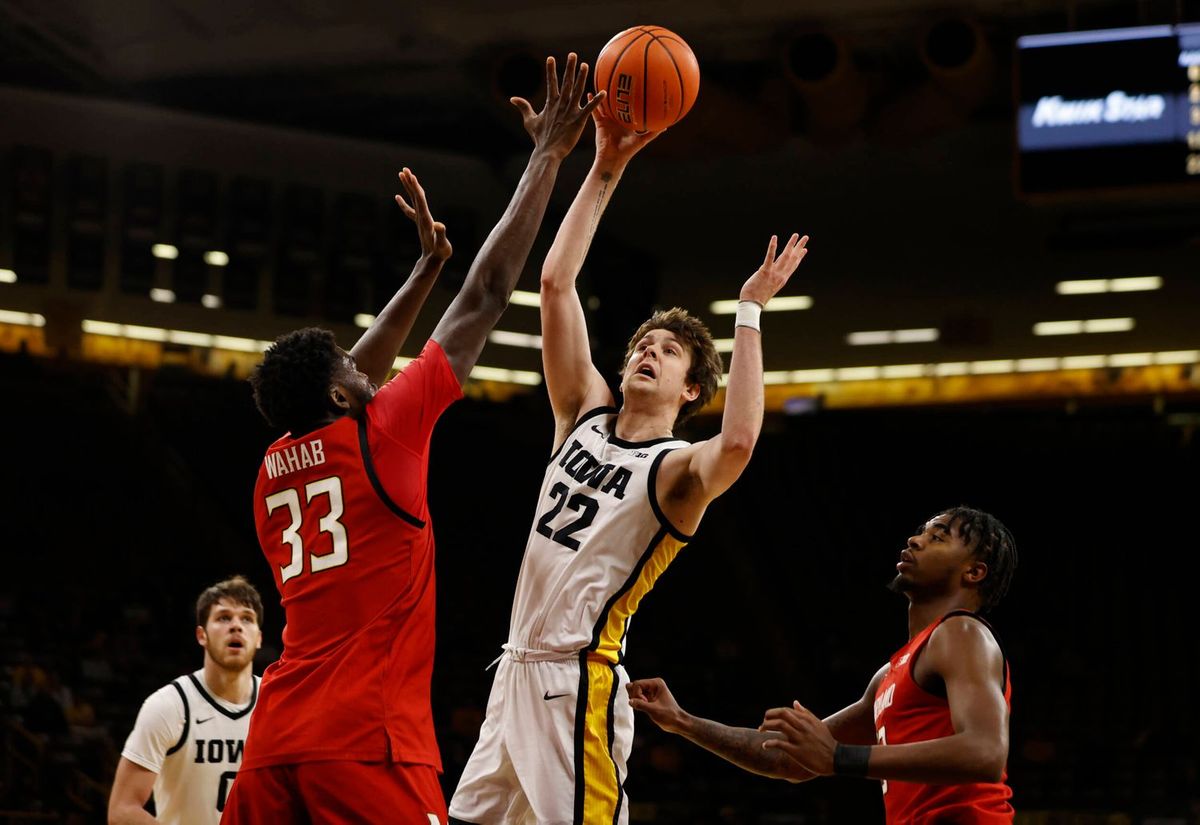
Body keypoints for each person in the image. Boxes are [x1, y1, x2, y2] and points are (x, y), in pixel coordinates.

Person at [222, 55, 604, 824]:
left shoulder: (271, 469)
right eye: (354, 372)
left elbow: (350, 373)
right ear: (341, 393)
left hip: (272, 742)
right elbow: (490, 293)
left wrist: (426, 266)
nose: (372, 370)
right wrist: (547, 156)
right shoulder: (384, 433)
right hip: (365, 740)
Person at [448, 106, 809, 825]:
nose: (649, 351)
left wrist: (748, 312)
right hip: (513, 671)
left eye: (668, 351)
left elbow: (738, 443)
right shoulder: (579, 412)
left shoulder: (677, 471)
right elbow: (555, 283)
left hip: (577, 685)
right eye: (644, 343)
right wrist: (607, 162)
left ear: (691, 390)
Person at [628, 506, 1019, 824]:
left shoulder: (962, 633)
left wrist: (838, 758)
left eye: (938, 537)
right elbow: (787, 759)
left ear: (974, 572)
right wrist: (681, 721)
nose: (916, 539)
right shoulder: (891, 673)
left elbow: (984, 753)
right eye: (921, 531)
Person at [108, 576, 264, 825]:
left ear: (258, 638)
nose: (236, 626)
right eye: (224, 618)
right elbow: (122, 810)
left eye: (247, 618)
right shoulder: (169, 706)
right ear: (201, 635)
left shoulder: (276, 703)